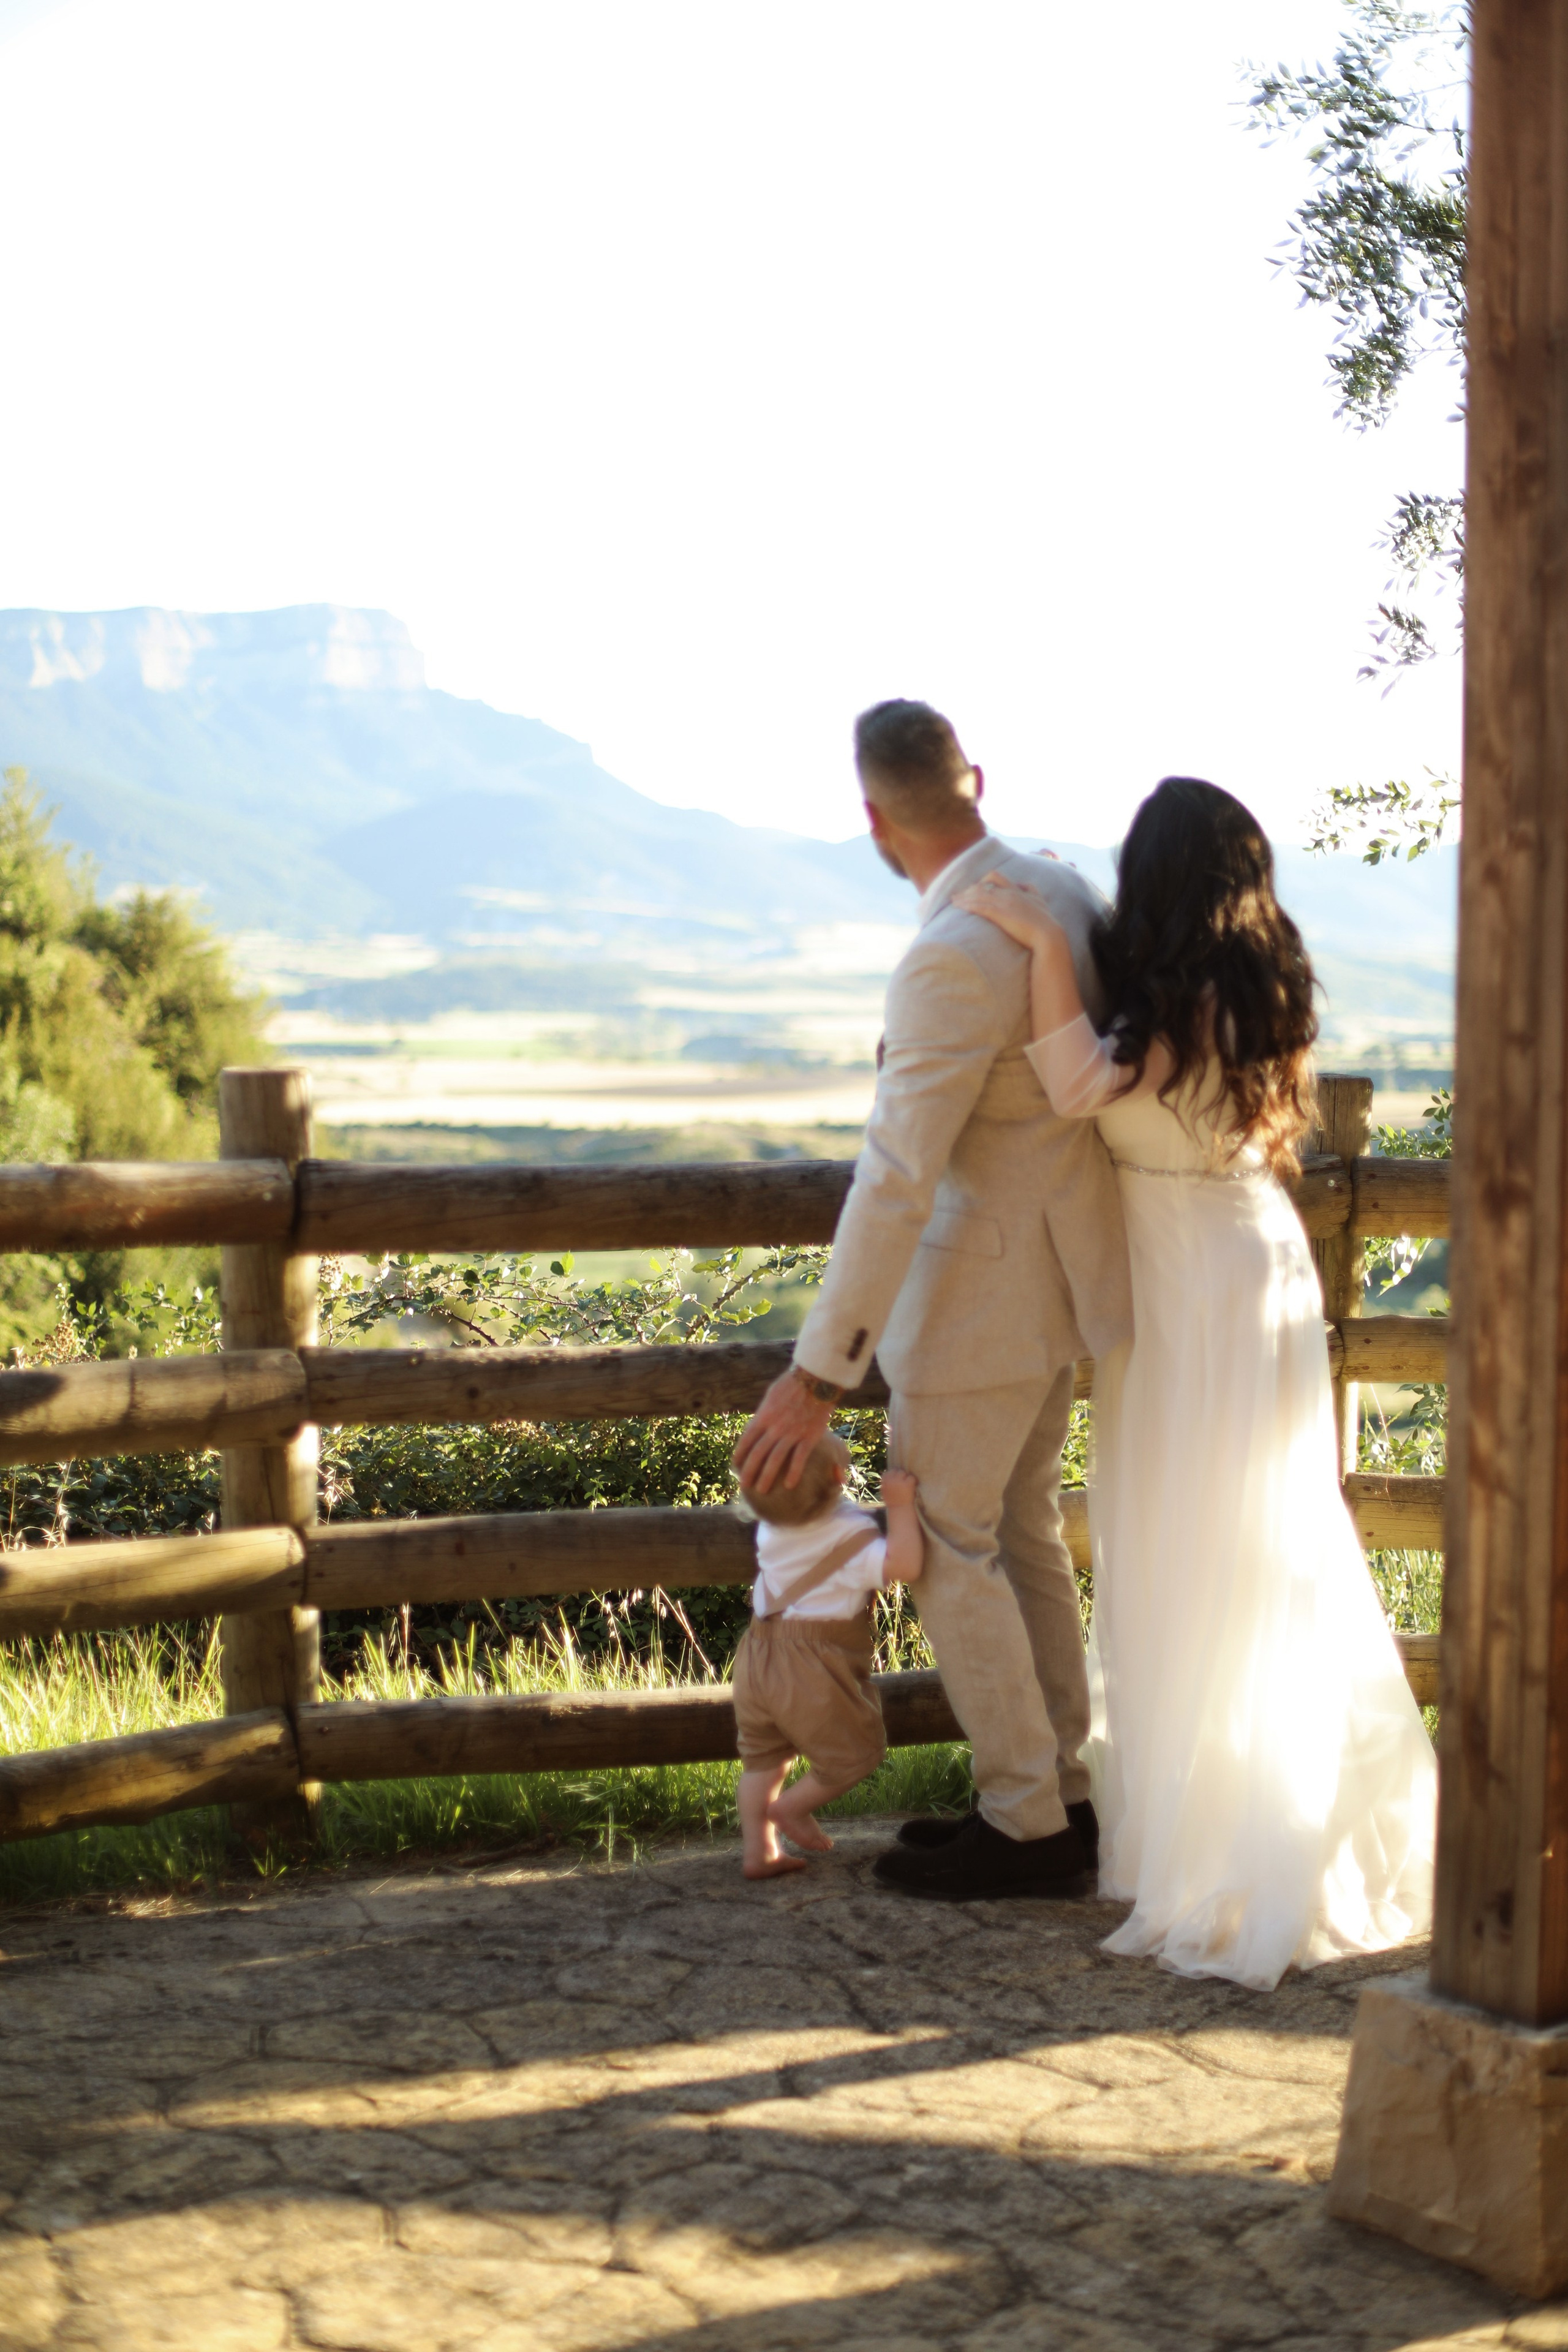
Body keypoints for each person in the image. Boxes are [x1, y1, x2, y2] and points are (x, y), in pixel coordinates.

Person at [957, 775, 1438, 1989]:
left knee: (1186, 1552)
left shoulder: (1173, 1006)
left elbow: (1073, 1086)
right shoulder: (1244, 986)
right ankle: (1231, 1820)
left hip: (1187, 1285)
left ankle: (1214, 1845)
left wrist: (1029, 936)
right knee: (1249, 1550)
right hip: (1244, 1263)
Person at [732, 699, 1133, 1902]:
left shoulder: (949, 952)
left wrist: (816, 1377)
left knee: (954, 1548)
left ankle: (1023, 1826)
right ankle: (1057, 1792)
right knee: (1017, 1538)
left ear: (869, 818)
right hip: (1060, 1286)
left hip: (978, 1303)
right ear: (974, 778)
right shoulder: (1057, 892)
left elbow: (895, 1181)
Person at [733, 1435, 923, 1878]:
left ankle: (758, 1852)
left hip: (757, 1654)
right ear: (841, 1477)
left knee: (762, 1759)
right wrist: (899, 1505)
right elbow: (907, 1564)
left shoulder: (770, 1526)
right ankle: (791, 1809)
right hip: (811, 1667)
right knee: (855, 1756)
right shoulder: (850, 1535)